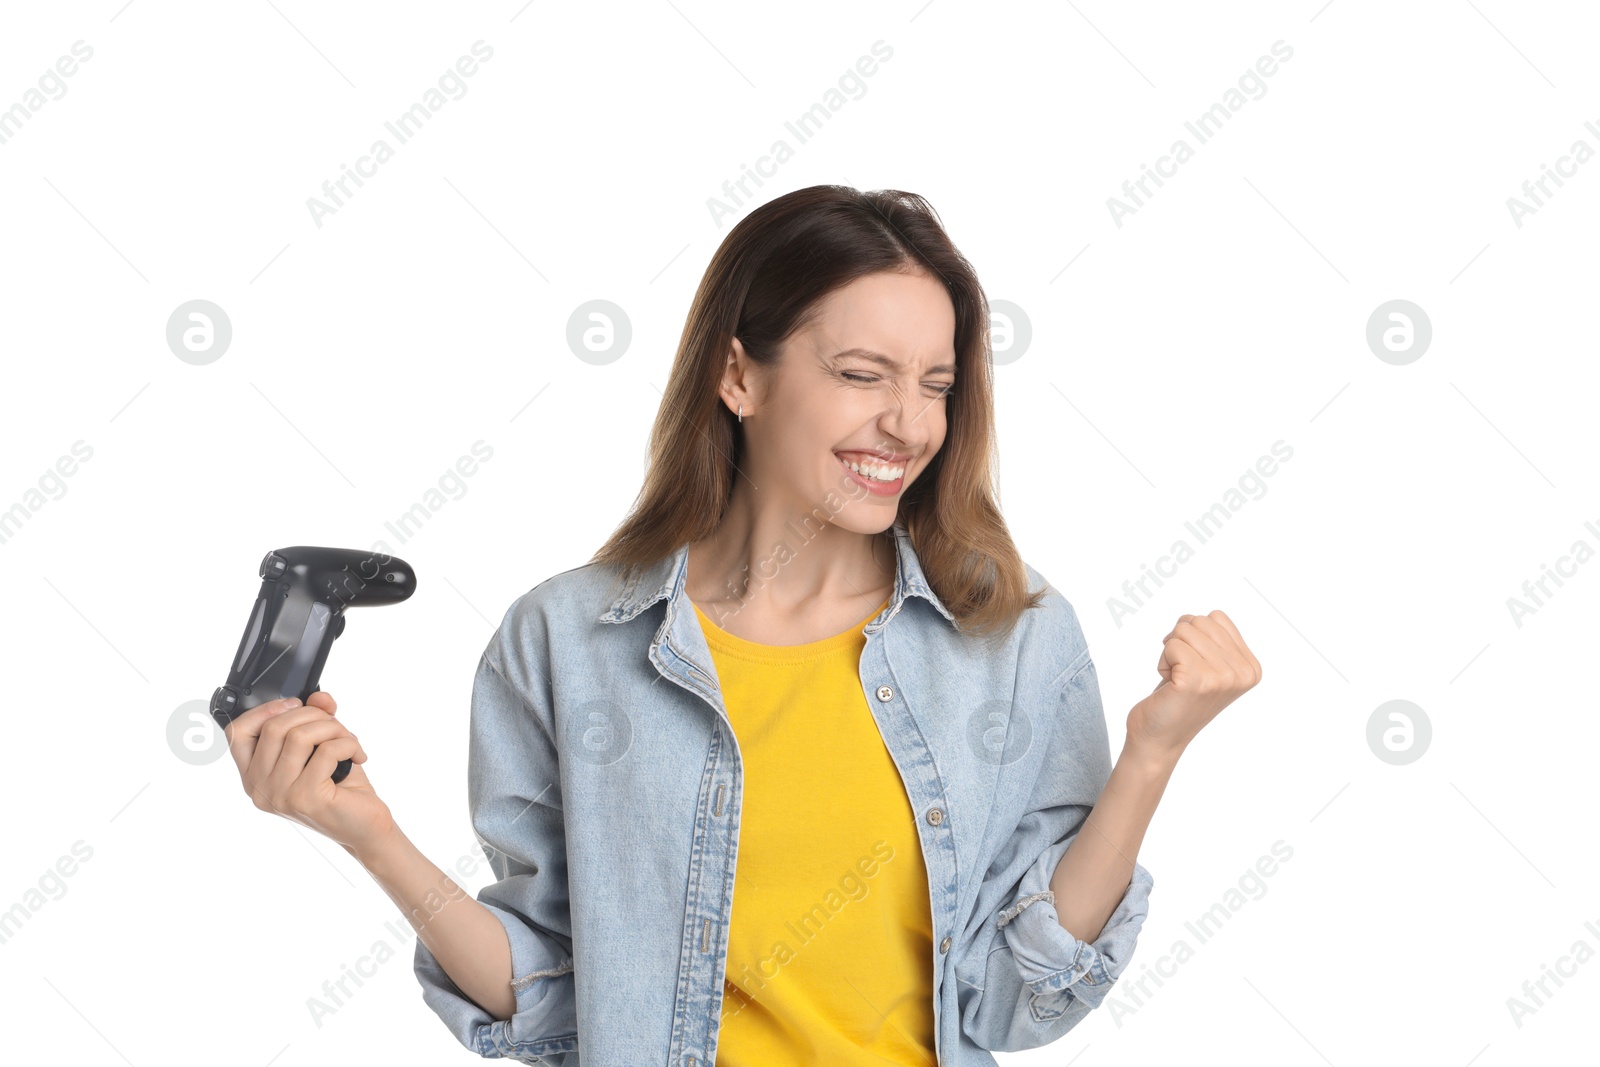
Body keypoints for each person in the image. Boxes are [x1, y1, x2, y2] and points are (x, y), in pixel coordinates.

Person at [223, 184, 1261, 1065]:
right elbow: (546, 1003)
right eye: (862, 374)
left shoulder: (1012, 634)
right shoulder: (565, 639)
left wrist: (1152, 752)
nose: (908, 424)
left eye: (935, 384)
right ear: (737, 375)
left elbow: (1012, 996)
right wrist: (368, 834)